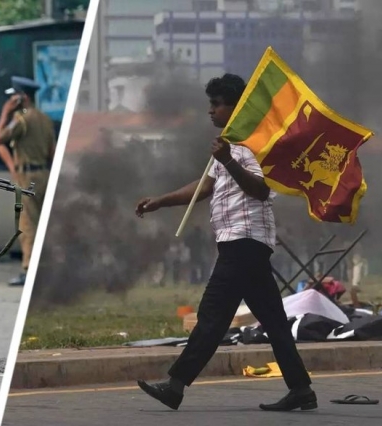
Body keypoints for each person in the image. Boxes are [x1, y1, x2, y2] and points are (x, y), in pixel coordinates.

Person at [134, 73, 315, 412]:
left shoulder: (253, 145)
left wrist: (229, 160)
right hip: (243, 245)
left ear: (237, 108)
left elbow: (261, 190)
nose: (211, 111)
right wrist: (161, 200)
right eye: (211, 105)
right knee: (274, 321)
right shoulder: (231, 146)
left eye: (217, 104)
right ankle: (301, 389)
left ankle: (175, 386)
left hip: (243, 243)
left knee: (213, 316)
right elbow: (204, 187)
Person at [0, 76, 55, 287]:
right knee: (43, 223)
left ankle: (29, 270)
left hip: (27, 176)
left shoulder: (22, 119)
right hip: (44, 174)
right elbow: (52, 152)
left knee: (27, 223)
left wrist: (4, 113)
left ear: (23, 98)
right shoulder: (45, 119)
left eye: (14, 97)